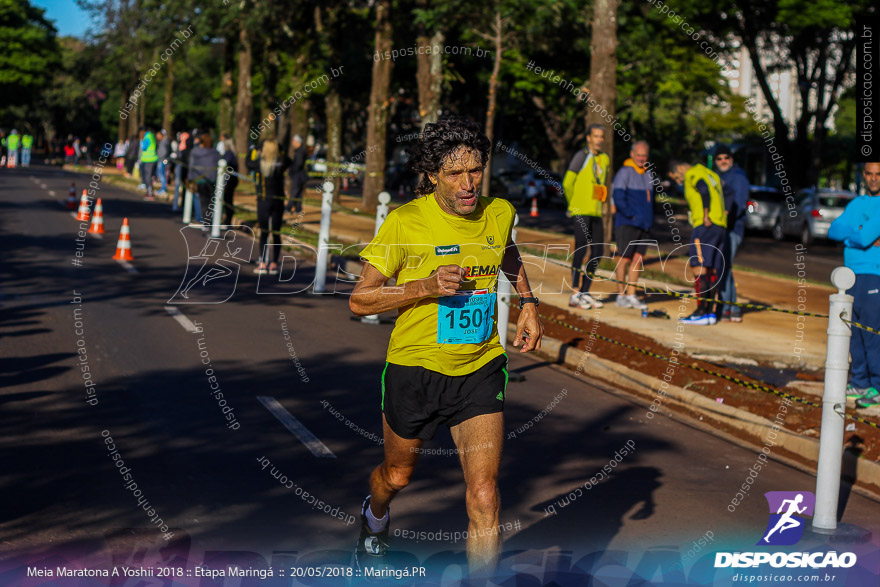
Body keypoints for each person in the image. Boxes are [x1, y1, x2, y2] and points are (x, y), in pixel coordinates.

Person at [349, 115, 543, 578]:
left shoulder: (499, 212)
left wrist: (530, 303)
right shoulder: (405, 221)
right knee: (396, 477)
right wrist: (425, 287)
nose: (468, 182)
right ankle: (374, 518)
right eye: (455, 174)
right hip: (415, 369)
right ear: (433, 174)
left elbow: (506, 250)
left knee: (484, 494)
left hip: (479, 365)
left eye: (475, 170)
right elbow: (360, 299)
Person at [829, 162, 880, 408]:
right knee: (854, 332)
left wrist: (854, 235)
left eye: (878, 174)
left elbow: (862, 237)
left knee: (872, 333)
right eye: (869, 174)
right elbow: (833, 230)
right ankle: (859, 382)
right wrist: (858, 234)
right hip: (850, 276)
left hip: (874, 275)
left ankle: (877, 388)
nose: (874, 179)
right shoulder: (856, 203)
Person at [668, 158, 728, 325]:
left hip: (705, 224)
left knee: (698, 266)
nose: (678, 181)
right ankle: (709, 313)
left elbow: (703, 190)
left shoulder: (693, 174)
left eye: (676, 177)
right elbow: (724, 191)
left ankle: (702, 311)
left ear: (680, 168)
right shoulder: (710, 173)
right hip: (720, 225)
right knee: (711, 269)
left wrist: (706, 214)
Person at [563, 123, 610, 309]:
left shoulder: (604, 159)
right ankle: (575, 293)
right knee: (581, 250)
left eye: (601, 137)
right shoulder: (581, 156)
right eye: (596, 136)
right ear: (589, 138)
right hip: (581, 211)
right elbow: (567, 182)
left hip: (596, 210)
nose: (599, 140)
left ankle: (585, 290)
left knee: (598, 252)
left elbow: (602, 183)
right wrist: (572, 204)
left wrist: (604, 203)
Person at [611, 140, 654, 310]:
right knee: (624, 258)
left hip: (644, 225)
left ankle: (631, 294)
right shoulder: (624, 172)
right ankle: (621, 295)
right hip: (627, 223)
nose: (641, 158)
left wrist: (648, 220)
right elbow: (618, 198)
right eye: (639, 155)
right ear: (632, 154)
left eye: (644, 155)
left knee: (638, 259)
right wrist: (632, 215)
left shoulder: (648, 173)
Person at [714, 144, 749, 322]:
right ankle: (728, 306)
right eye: (719, 158)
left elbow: (740, 205)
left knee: (724, 266)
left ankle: (729, 308)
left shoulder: (738, 177)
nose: (723, 161)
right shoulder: (717, 176)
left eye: (726, 158)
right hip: (720, 228)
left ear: (731, 159)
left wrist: (726, 219)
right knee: (723, 266)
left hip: (733, 229)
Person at [246, 138, 291, 274]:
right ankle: (274, 263)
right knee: (276, 232)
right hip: (278, 201)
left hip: (263, 200)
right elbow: (290, 160)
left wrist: (254, 149)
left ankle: (263, 263)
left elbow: (248, 162)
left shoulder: (260, 164)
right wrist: (280, 150)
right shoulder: (281, 163)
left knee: (264, 232)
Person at [188, 133, 222, 229]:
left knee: (203, 201)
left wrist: (191, 179)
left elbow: (191, 166)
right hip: (213, 180)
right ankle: (210, 221)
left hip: (200, 180)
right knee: (212, 201)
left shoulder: (195, 152)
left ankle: (205, 221)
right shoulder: (216, 153)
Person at [218, 133, 239, 225]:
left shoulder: (229, 154)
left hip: (228, 181)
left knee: (228, 200)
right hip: (229, 180)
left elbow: (224, 164)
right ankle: (226, 219)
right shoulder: (231, 154)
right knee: (227, 200)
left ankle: (228, 220)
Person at [287, 134, 308, 214]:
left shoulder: (300, 151)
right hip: (299, 175)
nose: (292, 143)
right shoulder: (300, 151)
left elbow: (298, 164)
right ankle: (298, 209)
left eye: (293, 141)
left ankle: (288, 209)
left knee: (294, 192)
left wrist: (291, 170)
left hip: (298, 176)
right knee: (298, 193)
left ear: (297, 142)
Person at [141, 127, 159, 200]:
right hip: (152, 158)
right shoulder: (152, 136)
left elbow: (144, 147)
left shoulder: (147, 137)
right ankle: (149, 192)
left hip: (148, 159)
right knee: (149, 176)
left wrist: (142, 141)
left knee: (147, 177)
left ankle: (150, 193)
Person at [156, 130, 171, 196]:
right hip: (163, 159)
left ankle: (163, 189)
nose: (157, 136)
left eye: (158, 135)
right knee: (162, 174)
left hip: (163, 160)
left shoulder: (164, 142)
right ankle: (163, 188)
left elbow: (165, 152)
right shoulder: (163, 141)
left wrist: (159, 157)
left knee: (162, 174)